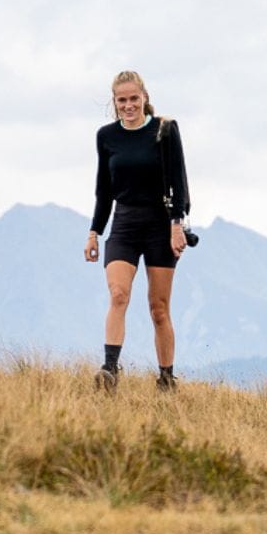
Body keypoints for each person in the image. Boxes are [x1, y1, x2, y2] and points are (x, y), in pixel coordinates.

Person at [82, 69, 191, 388]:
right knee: (118, 294)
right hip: (124, 224)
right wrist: (94, 232)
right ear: (114, 103)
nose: (128, 105)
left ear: (145, 98)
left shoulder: (165, 130)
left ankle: (166, 379)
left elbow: (179, 181)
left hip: (160, 224)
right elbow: (103, 190)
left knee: (158, 308)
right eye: (121, 100)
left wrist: (176, 224)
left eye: (133, 99)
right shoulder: (106, 136)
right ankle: (110, 370)